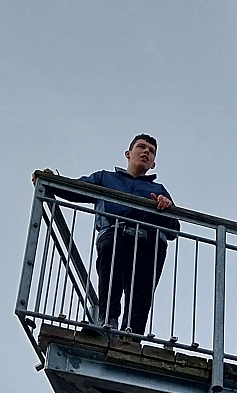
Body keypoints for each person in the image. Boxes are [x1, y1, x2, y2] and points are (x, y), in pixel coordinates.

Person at [44, 133, 178, 334]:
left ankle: (132, 336)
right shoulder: (106, 178)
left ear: (153, 163)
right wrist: (52, 182)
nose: (146, 152)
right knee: (110, 269)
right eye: (141, 147)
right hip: (116, 232)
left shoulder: (158, 189)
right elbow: (76, 190)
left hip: (149, 241)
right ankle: (108, 322)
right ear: (128, 153)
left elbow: (173, 229)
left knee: (141, 292)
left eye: (151, 151)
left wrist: (165, 207)